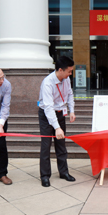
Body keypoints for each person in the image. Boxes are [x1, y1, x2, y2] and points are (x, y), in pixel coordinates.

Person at [38, 56, 77, 187]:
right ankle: (45, 175)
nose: (70, 74)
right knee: (46, 145)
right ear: (60, 70)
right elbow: (48, 107)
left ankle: (63, 172)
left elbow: (70, 94)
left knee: (61, 144)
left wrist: (71, 110)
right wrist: (56, 127)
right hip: (46, 115)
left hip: (61, 113)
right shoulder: (48, 83)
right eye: (69, 71)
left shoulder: (66, 79)